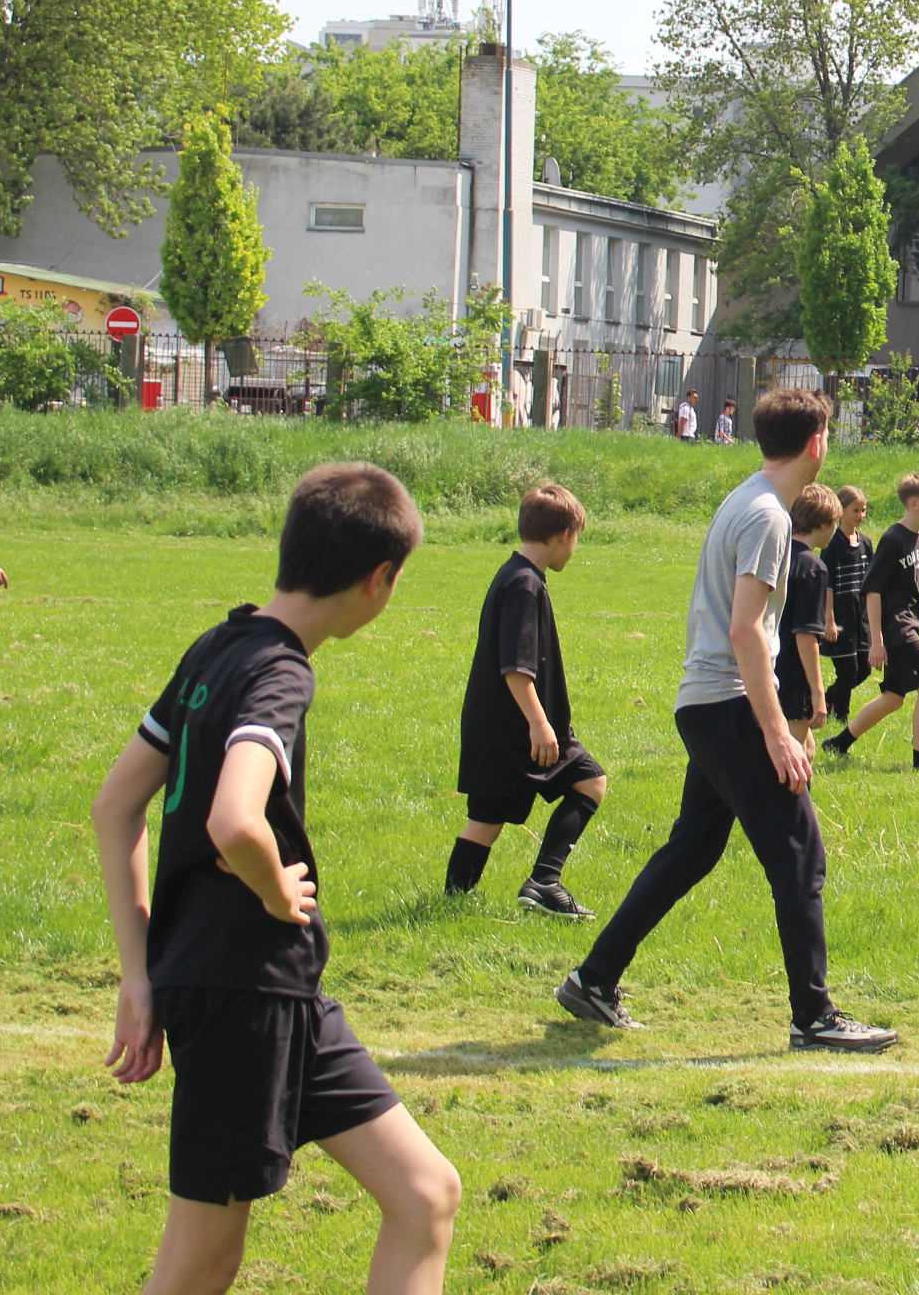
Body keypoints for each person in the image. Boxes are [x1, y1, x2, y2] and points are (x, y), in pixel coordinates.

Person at [89, 462, 460, 1294]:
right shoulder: (281, 672)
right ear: (379, 579)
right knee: (201, 1263)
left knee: (426, 1194)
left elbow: (114, 807)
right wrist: (274, 888)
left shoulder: (218, 647)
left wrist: (138, 972)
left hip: (278, 990)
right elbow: (234, 818)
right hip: (241, 995)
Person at [556, 388, 897, 1052]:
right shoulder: (767, 516)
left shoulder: (748, 500)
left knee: (692, 849)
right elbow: (745, 630)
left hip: (708, 704)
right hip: (733, 706)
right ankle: (814, 1017)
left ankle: (593, 978)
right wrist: (777, 733)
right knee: (800, 856)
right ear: (816, 443)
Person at [445, 484, 608, 918]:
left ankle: (451, 904)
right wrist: (539, 723)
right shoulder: (524, 585)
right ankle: (544, 882)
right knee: (590, 782)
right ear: (564, 535)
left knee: (487, 819)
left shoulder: (515, 574)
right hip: (518, 727)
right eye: (576, 539)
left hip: (496, 724)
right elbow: (516, 667)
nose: (574, 549)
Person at [821, 473, 919, 770]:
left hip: (909, 626)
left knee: (893, 697)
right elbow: (873, 590)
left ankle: (838, 743)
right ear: (914, 503)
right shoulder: (893, 539)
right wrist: (877, 642)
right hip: (898, 629)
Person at [776, 483, 839, 755]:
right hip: (792, 670)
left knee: (809, 750)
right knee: (793, 754)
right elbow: (805, 634)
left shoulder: (777, 553)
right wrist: (818, 691)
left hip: (767, 661)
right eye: (835, 523)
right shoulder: (813, 567)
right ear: (823, 523)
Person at [820, 485, 872, 732]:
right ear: (841, 511)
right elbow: (827, 586)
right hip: (840, 617)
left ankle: (828, 697)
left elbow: (872, 582)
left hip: (861, 617)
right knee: (848, 670)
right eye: (855, 510)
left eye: (864, 510)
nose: (861, 515)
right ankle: (841, 717)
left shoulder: (865, 543)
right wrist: (829, 620)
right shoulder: (832, 545)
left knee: (864, 668)